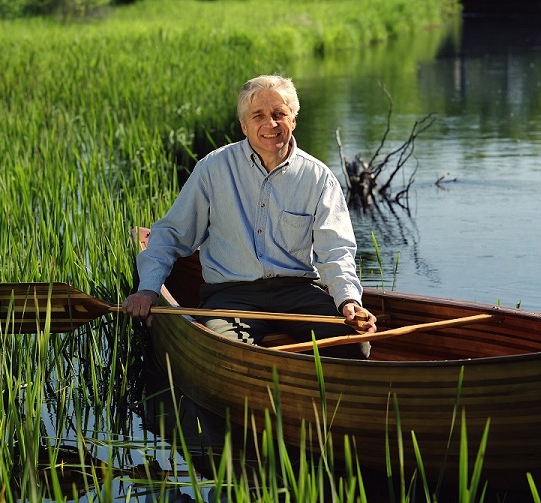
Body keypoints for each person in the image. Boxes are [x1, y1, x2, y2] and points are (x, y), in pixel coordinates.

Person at [121, 74, 377, 358]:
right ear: (244, 125)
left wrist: (348, 300)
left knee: (355, 345)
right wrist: (148, 290)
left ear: (293, 119)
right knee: (224, 350)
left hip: (298, 292)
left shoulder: (318, 178)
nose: (271, 123)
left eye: (280, 113)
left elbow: (336, 251)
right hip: (231, 295)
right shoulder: (213, 169)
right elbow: (170, 235)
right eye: (258, 115)